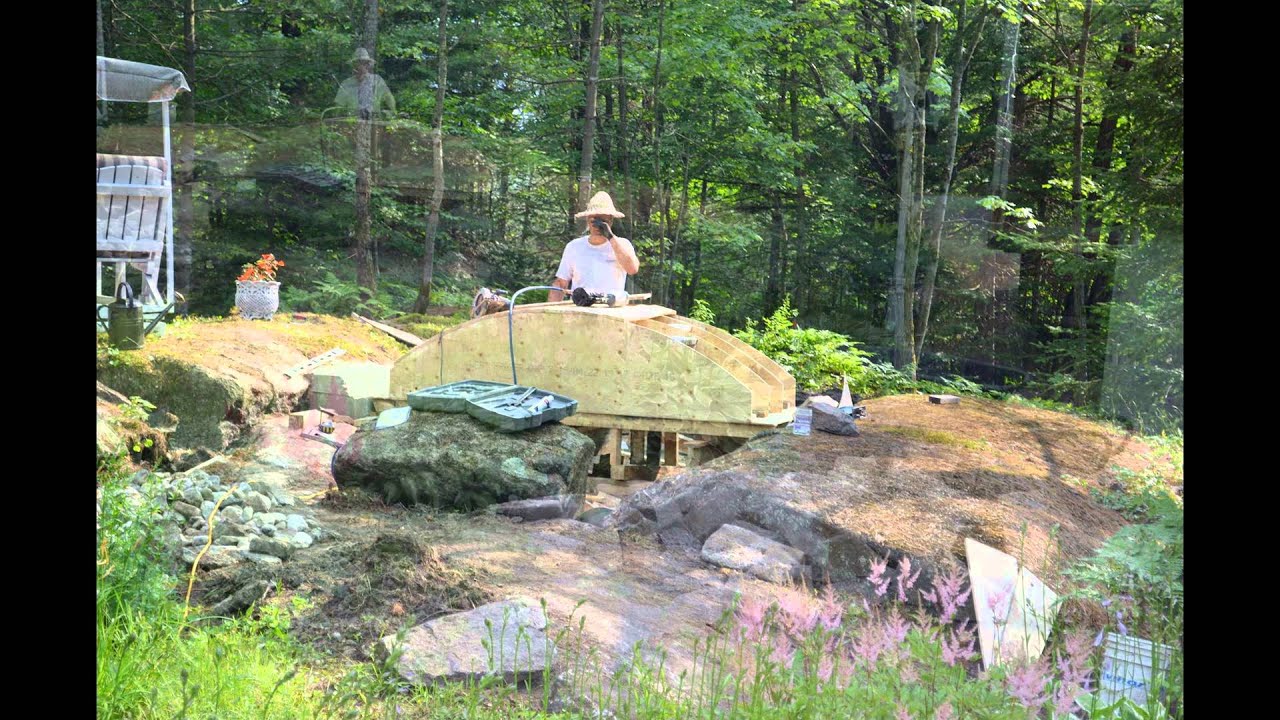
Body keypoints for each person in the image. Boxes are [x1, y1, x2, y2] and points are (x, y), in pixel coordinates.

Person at [549, 191, 640, 302]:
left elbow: (632, 269)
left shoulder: (622, 245)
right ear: (588, 220)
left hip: (610, 310)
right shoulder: (574, 247)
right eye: (594, 221)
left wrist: (610, 236)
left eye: (603, 222)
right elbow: (560, 283)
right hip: (581, 309)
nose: (598, 226)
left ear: (611, 221)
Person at [333, 48, 397, 118]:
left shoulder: (377, 80)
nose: (360, 66)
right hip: (352, 122)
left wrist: (393, 112)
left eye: (363, 63)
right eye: (357, 63)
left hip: (373, 121)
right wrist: (336, 119)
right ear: (353, 65)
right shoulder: (347, 83)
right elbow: (338, 107)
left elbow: (388, 97)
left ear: (368, 65)